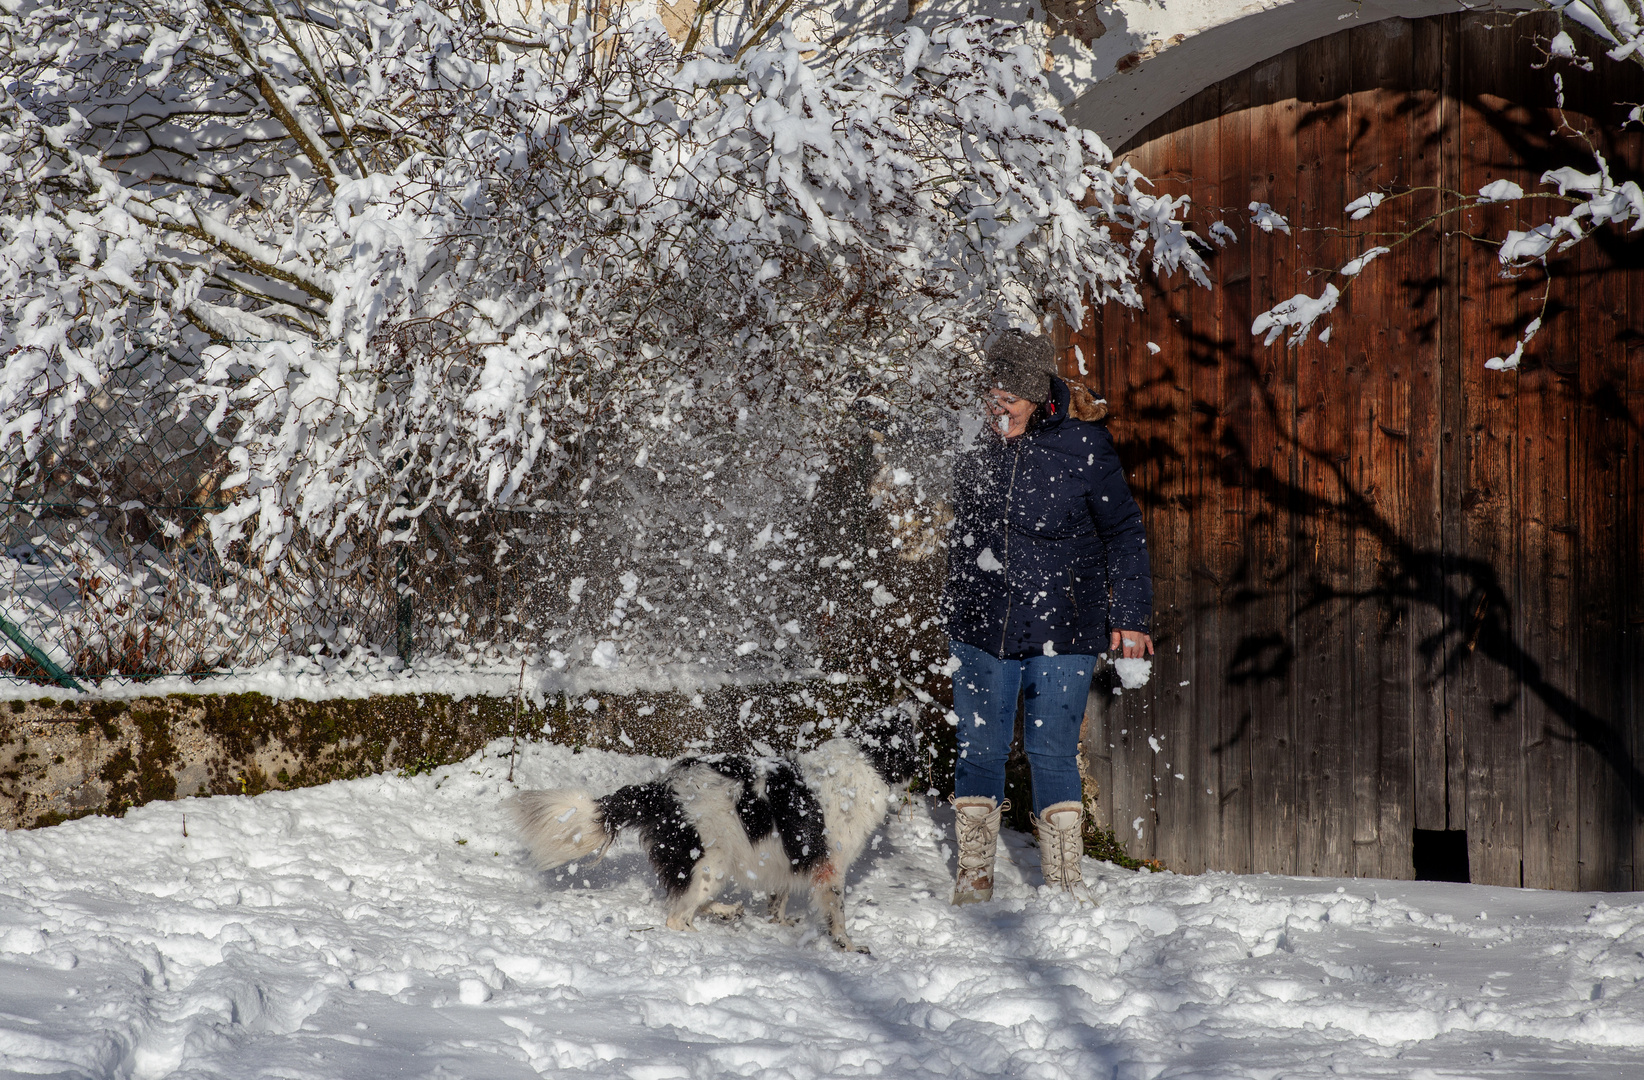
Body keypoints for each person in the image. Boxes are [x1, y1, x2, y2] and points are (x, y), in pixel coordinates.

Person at [940, 330, 1154, 903]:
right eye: (989, 395)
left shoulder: (1085, 445)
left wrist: (1131, 614)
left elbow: (1125, 534)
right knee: (980, 749)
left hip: (1065, 621)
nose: (996, 408)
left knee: (1051, 751)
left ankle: (1064, 881)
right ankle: (975, 876)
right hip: (982, 621)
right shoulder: (973, 442)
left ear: (1036, 395)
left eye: (1007, 398)